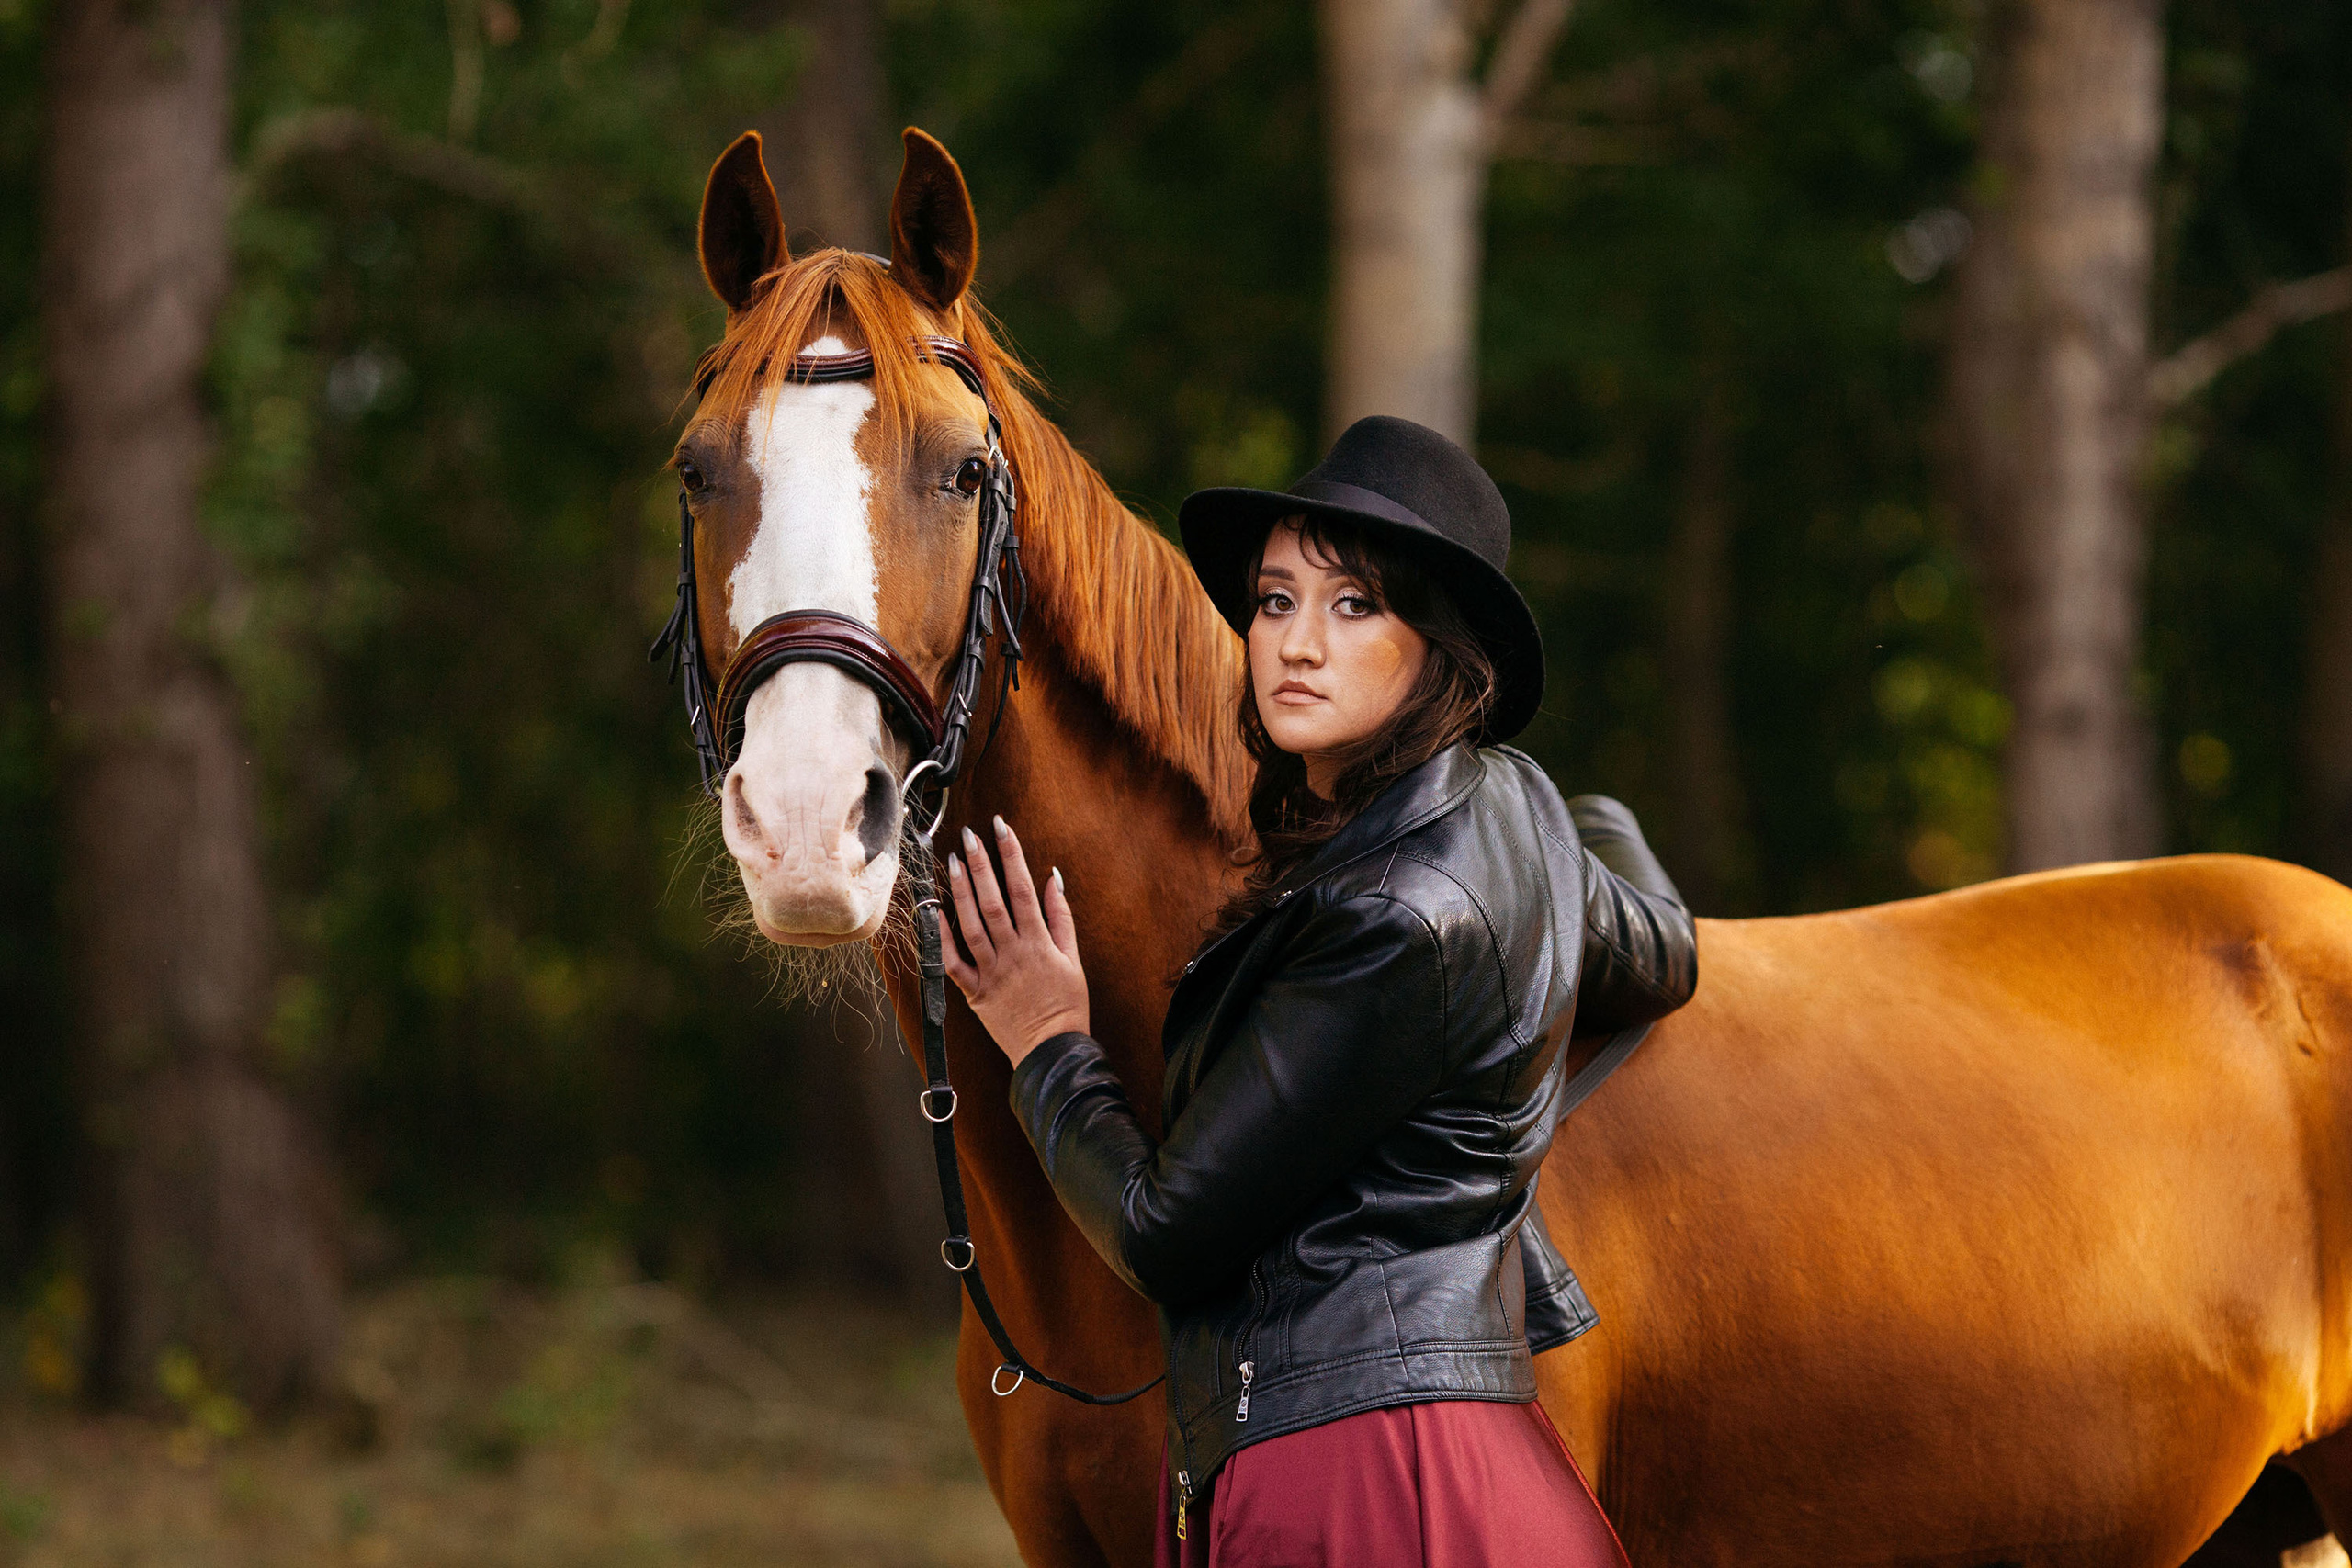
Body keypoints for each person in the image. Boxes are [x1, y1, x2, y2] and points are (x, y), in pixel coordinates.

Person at [940, 415, 1698, 1566]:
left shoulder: (1388, 918)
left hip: (1354, 1481)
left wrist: (1046, 1043)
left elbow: (1163, 1235)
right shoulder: (1515, 813)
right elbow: (1667, 953)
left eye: (1355, 606)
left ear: (1440, 647)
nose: (1295, 643)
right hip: (1465, 1459)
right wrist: (1601, 824)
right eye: (1276, 599)